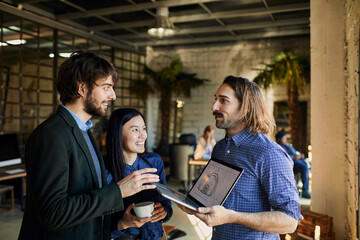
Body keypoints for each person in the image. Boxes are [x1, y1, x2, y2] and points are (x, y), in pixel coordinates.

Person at [18, 51, 159, 240]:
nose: (113, 95)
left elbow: (87, 204)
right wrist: (118, 191)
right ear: (82, 88)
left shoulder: (84, 131)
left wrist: (121, 223)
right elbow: (53, 213)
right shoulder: (51, 135)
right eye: (107, 87)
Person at [178, 76, 302, 239]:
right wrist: (193, 202)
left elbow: (290, 221)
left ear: (245, 108)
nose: (214, 106)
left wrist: (232, 216)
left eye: (223, 101)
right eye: (216, 99)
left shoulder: (269, 153)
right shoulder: (220, 148)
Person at [105, 108, 172, 240]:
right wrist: (122, 223)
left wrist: (164, 211)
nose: (143, 135)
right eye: (135, 130)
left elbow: (165, 199)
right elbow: (95, 224)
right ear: (118, 133)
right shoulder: (104, 171)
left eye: (144, 128)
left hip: (157, 235)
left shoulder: (154, 162)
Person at [275, 130, 311, 199]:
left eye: (286, 138)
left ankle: (305, 188)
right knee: (304, 166)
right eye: (284, 138)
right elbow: (282, 156)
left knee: (306, 163)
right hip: (290, 163)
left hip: (297, 160)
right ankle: (305, 190)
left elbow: (295, 153)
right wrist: (293, 157)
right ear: (279, 139)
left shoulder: (288, 146)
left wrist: (300, 155)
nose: (285, 140)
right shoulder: (279, 147)